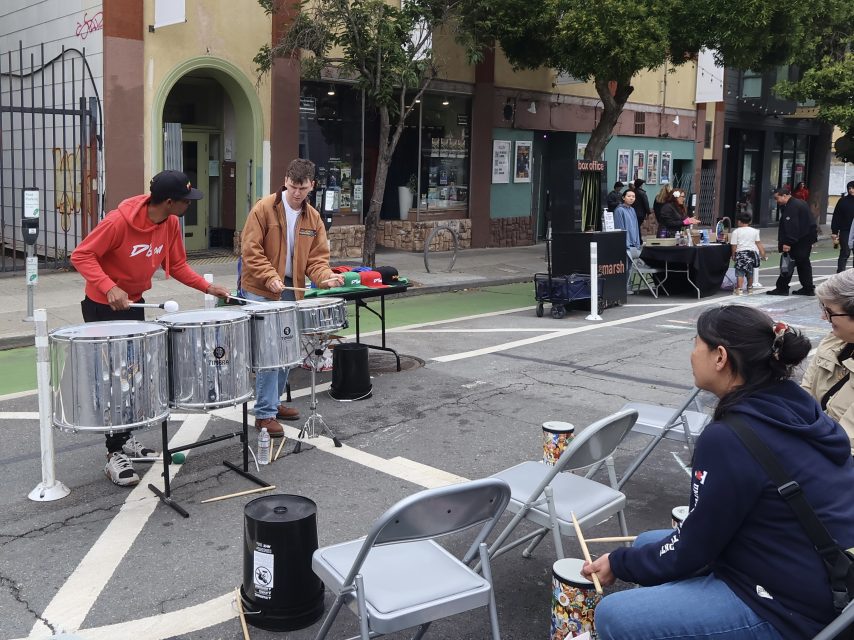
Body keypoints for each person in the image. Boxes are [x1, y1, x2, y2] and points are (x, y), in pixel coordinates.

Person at [581, 305, 854, 640]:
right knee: (645, 542)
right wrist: (630, 557)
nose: (692, 354)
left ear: (720, 357)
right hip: (820, 574)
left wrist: (620, 563)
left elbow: (692, 549)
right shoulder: (794, 401)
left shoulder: (729, 437)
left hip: (790, 607)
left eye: (696, 344)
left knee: (614, 614)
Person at [70, 169, 231, 486]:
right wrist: (108, 286)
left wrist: (207, 288)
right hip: (102, 306)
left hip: (134, 305)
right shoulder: (118, 222)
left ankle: (125, 437)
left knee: (132, 376)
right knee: (113, 380)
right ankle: (113, 454)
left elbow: (179, 265)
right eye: (186, 200)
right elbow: (82, 254)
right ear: (169, 201)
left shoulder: (170, 224)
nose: (190, 205)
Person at [239, 158, 344, 438]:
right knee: (271, 352)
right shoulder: (263, 209)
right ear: (285, 180)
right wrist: (269, 275)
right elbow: (250, 251)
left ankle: (272, 403)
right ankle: (264, 414)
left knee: (288, 352)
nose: (297, 193)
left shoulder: (313, 218)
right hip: (261, 289)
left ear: (312, 185)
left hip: (291, 287)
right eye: (293, 186)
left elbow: (317, 260)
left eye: (303, 188)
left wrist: (325, 277)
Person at [801, 269, 854, 453]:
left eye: (829, 311)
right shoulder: (834, 340)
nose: (824, 317)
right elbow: (805, 392)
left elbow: (847, 444)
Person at [766, 188, 816, 296]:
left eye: (777, 198)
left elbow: (792, 226)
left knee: (787, 263)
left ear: (784, 196)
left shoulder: (791, 207)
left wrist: (788, 242)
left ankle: (782, 288)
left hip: (797, 241)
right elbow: (811, 222)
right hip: (805, 239)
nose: (776, 201)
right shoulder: (801, 203)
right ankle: (808, 288)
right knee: (803, 264)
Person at [729, 212, 766, 295]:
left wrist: (733, 255)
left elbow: (734, 245)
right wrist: (763, 253)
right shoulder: (755, 231)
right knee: (750, 272)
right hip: (752, 254)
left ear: (739, 221)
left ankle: (739, 289)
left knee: (740, 272)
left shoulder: (736, 232)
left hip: (741, 253)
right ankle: (750, 289)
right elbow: (758, 243)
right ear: (750, 221)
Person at [831, 181, 854, 272]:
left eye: (853, 188)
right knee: (845, 252)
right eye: (849, 188)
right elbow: (837, 216)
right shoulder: (843, 201)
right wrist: (834, 231)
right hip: (846, 230)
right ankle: (840, 274)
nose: (851, 190)